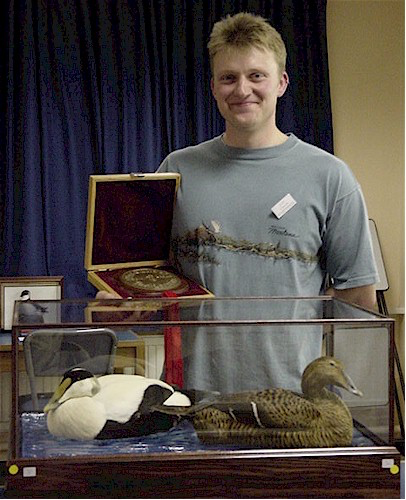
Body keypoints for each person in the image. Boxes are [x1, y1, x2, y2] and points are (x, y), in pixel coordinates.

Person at [99, 13, 377, 393]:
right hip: (192, 400)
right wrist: (122, 304)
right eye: (229, 78)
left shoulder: (331, 177)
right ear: (214, 87)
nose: (242, 89)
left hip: (291, 405)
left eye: (256, 75)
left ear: (281, 83)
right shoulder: (177, 169)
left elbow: (358, 300)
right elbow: (146, 284)